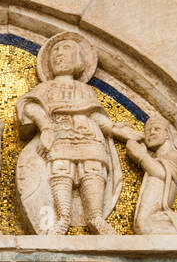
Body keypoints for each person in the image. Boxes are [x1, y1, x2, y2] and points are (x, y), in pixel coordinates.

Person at [17, 33, 132, 234]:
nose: (59, 56)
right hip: (59, 132)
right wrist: (45, 127)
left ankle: (95, 216)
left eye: (66, 51)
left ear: (79, 60)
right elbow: (29, 106)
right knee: (61, 169)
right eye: (55, 53)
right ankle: (63, 218)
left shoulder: (86, 90)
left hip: (89, 135)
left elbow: (95, 115)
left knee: (93, 170)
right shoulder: (46, 87)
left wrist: (115, 129)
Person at [124, 112, 177, 234]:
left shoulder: (173, 154)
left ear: (166, 134)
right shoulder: (153, 157)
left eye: (157, 129)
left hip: (157, 212)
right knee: (141, 225)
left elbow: (161, 173)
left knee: (142, 225)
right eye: (148, 131)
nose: (152, 133)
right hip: (150, 217)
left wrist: (140, 156)